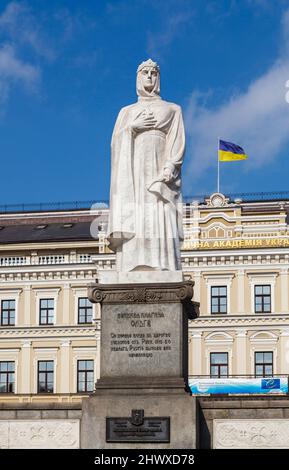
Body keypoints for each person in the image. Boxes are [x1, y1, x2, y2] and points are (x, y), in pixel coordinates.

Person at [107, 59, 185, 272]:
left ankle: (162, 262)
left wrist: (170, 167)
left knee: (158, 209)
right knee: (137, 210)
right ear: (138, 78)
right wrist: (132, 127)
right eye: (145, 73)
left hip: (159, 168)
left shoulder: (173, 109)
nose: (149, 76)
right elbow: (115, 143)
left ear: (158, 78)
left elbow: (177, 141)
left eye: (153, 73)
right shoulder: (127, 112)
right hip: (133, 169)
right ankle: (132, 261)